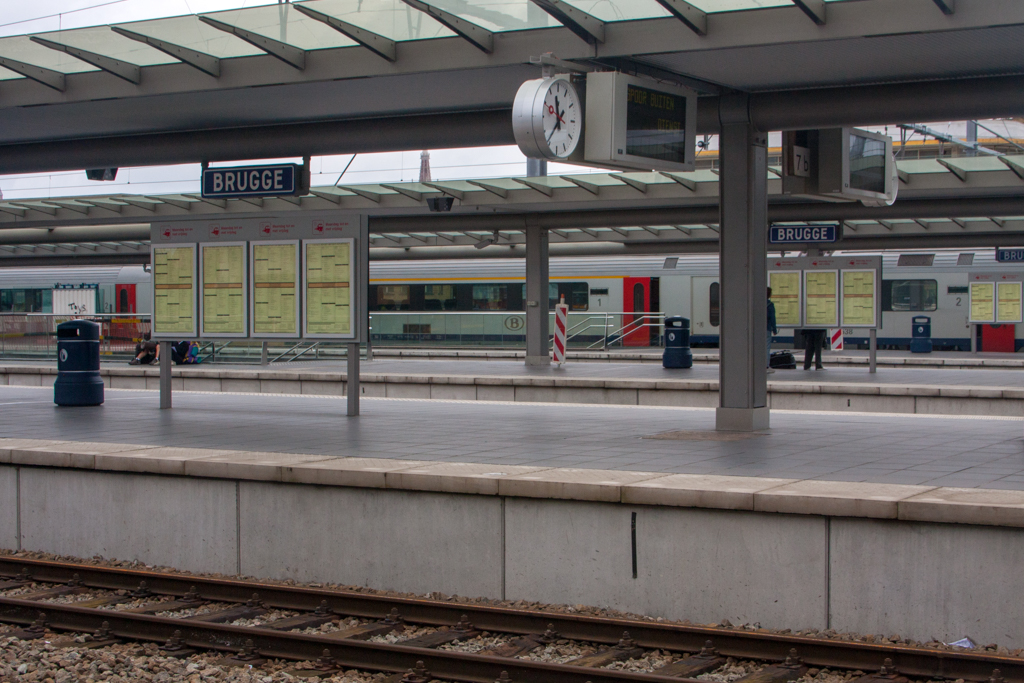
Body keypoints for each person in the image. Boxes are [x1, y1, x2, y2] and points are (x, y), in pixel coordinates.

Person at [767, 287, 778, 374]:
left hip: (757, 330)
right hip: (766, 329)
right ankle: (766, 366)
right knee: (766, 348)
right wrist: (774, 329)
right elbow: (772, 318)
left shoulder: (757, 304)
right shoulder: (770, 305)